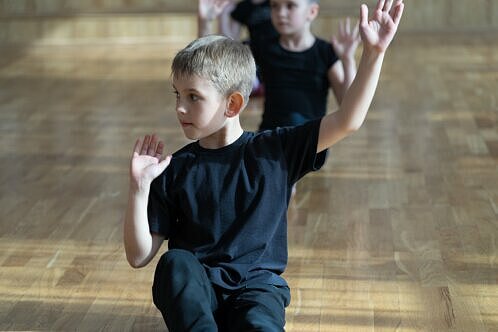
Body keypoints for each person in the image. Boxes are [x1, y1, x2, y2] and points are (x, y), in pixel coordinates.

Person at [123, 0, 404, 330]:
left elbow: (348, 120)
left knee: (258, 323)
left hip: (256, 289)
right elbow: (139, 256)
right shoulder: (175, 169)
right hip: (199, 294)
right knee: (174, 263)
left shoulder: (276, 150)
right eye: (177, 95)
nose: (180, 109)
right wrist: (138, 190)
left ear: (233, 103)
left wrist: (373, 55)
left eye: (193, 97)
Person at [199, 0, 361, 130]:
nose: (280, 13)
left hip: (311, 143)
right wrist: (205, 22)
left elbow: (347, 104)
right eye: (275, 6)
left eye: (290, 6)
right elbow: (216, 67)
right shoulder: (263, 48)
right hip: (271, 138)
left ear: (311, 12)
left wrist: (347, 60)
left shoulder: (325, 52)